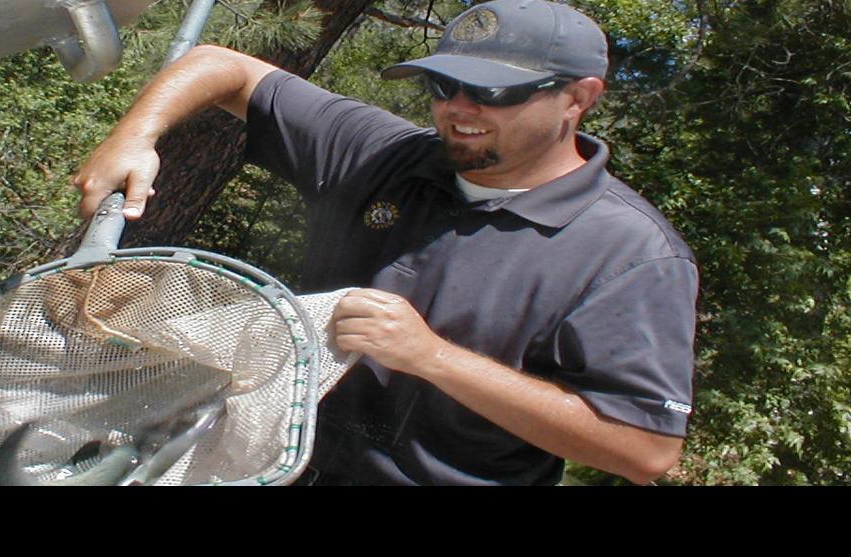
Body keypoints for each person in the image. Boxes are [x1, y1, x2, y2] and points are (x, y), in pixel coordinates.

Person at [73, 0, 698, 485]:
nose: (457, 109)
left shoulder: (630, 255)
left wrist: (432, 357)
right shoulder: (386, 153)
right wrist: (136, 134)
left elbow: (643, 450)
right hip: (259, 465)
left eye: (493, 92)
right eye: (442, 85)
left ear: (579, 98)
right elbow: (224, 64)